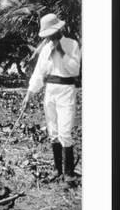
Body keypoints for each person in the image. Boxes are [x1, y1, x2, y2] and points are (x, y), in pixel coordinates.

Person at [22, 13, 81, 184]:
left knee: (65, 132)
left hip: (66, 91)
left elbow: (74, 70)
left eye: (51, 34)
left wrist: (60, 51)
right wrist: (28, 94)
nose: (49, 38)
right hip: (50, 91)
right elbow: (39, 74)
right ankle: (57, 169)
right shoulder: (45, 49)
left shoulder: (72, 44)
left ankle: (68, 172)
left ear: (58, 30)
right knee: (53, 132)